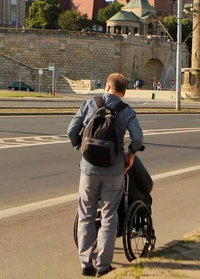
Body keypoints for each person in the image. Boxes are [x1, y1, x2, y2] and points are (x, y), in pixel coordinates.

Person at [67, 73, 143, 277]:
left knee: (86, 214)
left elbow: (71, 130)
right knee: (109, 216)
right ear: (123, 92)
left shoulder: (90, 103)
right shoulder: (126, 110)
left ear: (107, 87)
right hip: (114, 170)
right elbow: (138, 138)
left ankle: (85, 263)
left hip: (88, 169)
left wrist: (80, 148)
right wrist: (130, 154)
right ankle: (103, 266)